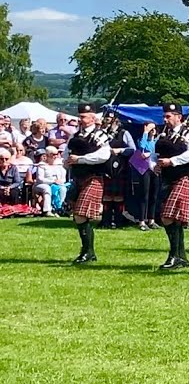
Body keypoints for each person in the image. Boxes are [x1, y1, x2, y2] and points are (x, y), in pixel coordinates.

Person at [152, 103, 189, 270]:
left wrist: (172, 161)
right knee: (171, 219)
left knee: (169, 217)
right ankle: (181, 256)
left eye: (169, 116)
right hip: (166, 179)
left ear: (178, 117)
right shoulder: (162, 135)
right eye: (164, 116)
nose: (165, 119)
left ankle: (174, 256)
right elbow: (153, 155)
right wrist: (154, 166)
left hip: (182, 177)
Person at [62, 104, 112, 264]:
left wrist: (81, 159)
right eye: (80, 116)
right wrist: (67, 162)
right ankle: (88, 251)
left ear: (93, 118)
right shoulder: (74, 136)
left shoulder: (101, 135)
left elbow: (103, 156)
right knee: (78, 216)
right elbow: (66, 154)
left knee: (81, 215)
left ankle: (88, 252)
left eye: (84, 116)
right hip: (78, 177)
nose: (80, 119)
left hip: (94, 177)